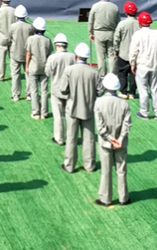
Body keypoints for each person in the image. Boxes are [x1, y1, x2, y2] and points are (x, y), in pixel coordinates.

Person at [93, 73, 132, 206]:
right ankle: (123, 198)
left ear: (105, 86)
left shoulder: (99, 102)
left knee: (106, 171)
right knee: (121, 170)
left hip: (105, 142)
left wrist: (110, 138)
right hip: (121, 143)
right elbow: (127, 124)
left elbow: (100, 127)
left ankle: (105, 198)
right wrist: (120, 139)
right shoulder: (124, 103)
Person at [62, 44, 102, 173]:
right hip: (89, 109)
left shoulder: (69, 70)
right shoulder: (94, 72)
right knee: (89, 138)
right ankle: (89, 165)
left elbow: (63, 89)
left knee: (71, 138)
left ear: (76, 56)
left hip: (72, 109)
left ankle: (69, 165)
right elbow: (100, 91)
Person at [130, 12, 157, 120]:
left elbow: (133, 51)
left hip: (142, 65)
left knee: (143, 90)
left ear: (140, 23)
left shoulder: (137, 34)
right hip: (155, 65)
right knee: (155, 89)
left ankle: (144, 112)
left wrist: (132, 63)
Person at [44, 32, 75, 144]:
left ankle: (59, 138)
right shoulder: (73, 57)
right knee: (69, 115)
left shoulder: (52, 57)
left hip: (56, 89)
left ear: (56, 45)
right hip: (70, 90)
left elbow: (47, 73)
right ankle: (70, 137)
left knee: (58, 116)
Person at [87, 0, 122, 77]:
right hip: (111, 33)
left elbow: (91, 21)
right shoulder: (114, 7)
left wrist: (90, 32)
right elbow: (118, 22)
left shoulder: (95, 6)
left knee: (101, 56)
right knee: (111, 55)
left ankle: (102, 76)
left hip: (98, 33)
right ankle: (112, 75)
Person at [24, 18, 52, 119]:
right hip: (44, 68)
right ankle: (44, 113)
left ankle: (36, 112)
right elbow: (49, 55)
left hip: (33, 67)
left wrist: (26, 66)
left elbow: (28, 54)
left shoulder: (30, 39)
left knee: (34, 90)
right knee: (44, 91)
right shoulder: (47, 40)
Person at [8, 6, 35, 102]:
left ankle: (15, 95)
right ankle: (29, 94)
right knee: (28, 74)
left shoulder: (12, 26)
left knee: (15, 75)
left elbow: (9, 38)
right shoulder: (30, 27)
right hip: (27, 53)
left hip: (15, 53)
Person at [114, 2, 140, 97]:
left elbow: (116, 38)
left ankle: (123, 92)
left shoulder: (122, 24)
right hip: (136, 54)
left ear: (126, 13)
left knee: (122, 73)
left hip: (123, 53)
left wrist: (116, 50)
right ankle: (132, 92)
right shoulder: (140, 24)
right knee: (134, 74)